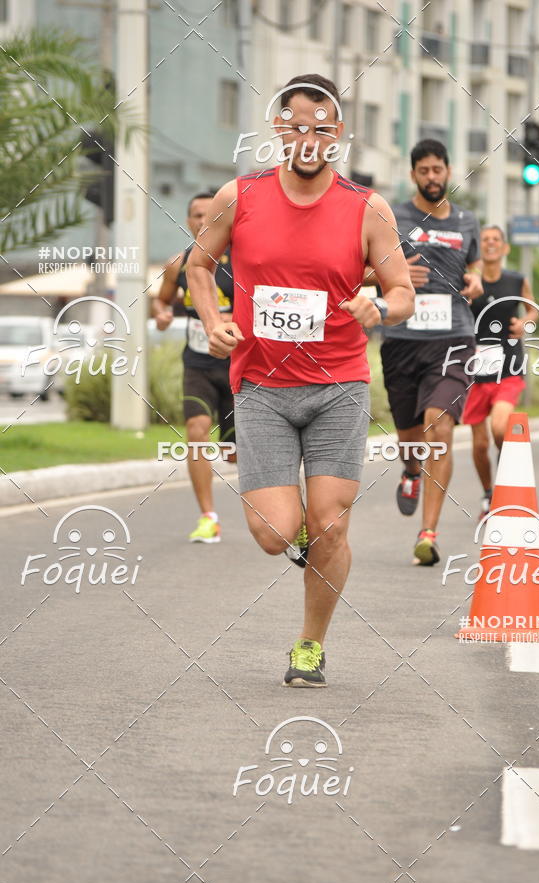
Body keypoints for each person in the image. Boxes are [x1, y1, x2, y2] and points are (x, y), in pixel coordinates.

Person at [187, 74, 414, 688]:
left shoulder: (367, 208)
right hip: (262, 388)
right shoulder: (240, 196)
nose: (308, 139)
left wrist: (380, 307)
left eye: (321, 128)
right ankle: (309, 528)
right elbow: (199, 266)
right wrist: (212, 321)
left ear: (337, 134)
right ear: (279, 131)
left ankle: (310, 645)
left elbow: (402, 292)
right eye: (297, 128)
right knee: (272, 534)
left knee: (331, 524)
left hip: (339, 385)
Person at [380, 139, 482, 566]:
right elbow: (361, 267)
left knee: (438, 427)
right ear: (413, 175)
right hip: (402, 340)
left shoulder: (466, 221)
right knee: (410, 439)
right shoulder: (392, 217)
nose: (432, 177)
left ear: (448, 171)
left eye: (438, 169)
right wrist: (392, 273)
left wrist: (475, 280)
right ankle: (410, 471)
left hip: (454, 338)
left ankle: (428, 533)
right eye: (423, 170)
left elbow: (474, 266)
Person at [153, 193, 235, 543]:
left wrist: (232, 320)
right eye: (196, 215)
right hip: (198, 364)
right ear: (188, 221)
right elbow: (161, 300)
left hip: (239, 367)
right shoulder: (179, 263)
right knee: (196, 432)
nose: (203, 221)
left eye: (209, 214)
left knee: (236, 452)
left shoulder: (243, 260)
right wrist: (161, 314)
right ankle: (208, 517)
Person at [462, 224, 538, 519]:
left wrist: (525, 323)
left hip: (509, 368)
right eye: (485, 240)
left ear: (505, 248)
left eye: (496, 239)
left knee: (498, 428)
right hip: (474, 371)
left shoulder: (517, 280)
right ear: (479, 248)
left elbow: (532, 310)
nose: (490, 243)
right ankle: (488, 494)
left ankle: (507, 483)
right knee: (480, 444)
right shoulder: (469, 281)